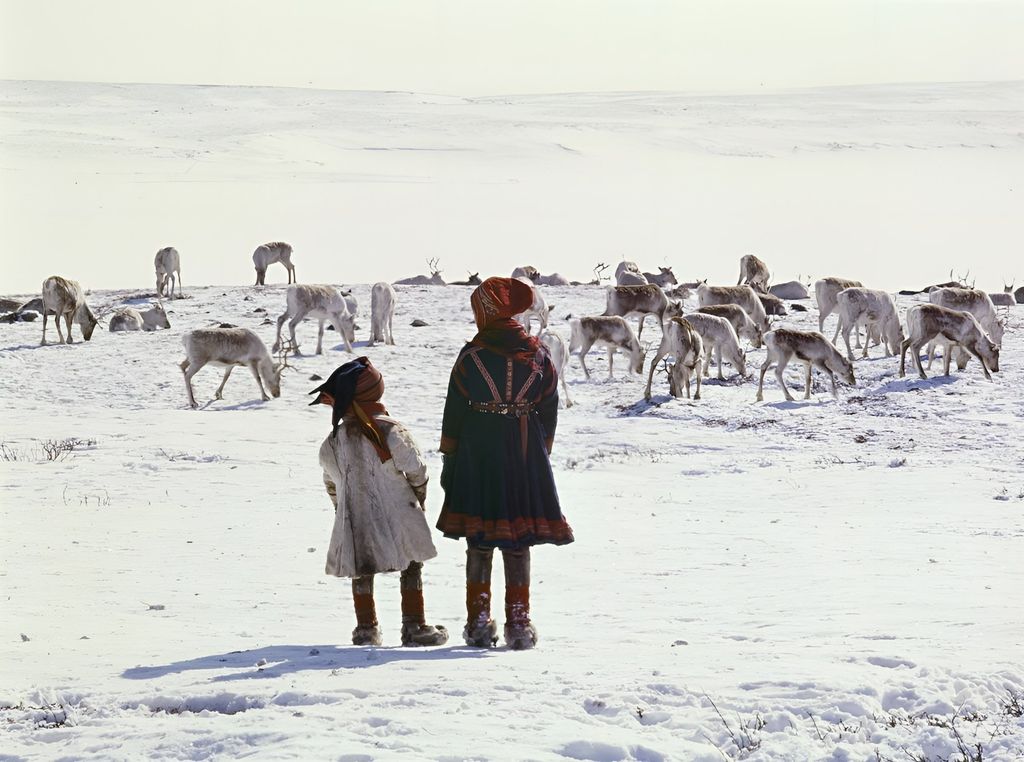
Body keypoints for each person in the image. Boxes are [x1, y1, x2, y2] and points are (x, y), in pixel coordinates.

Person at [437, 277, 574, 650]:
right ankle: (519, 624)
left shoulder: (472, 356)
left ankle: (479, 624)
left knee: (479, 539)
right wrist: (539, 454)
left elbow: (455, 411)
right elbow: (549, 406)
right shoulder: (539, 355)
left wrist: (450, 456)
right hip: (524, 451)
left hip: (478, 451)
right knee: (518, 541)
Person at [310, 357, 448, 647]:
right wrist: (419, 496)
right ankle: (415, 626)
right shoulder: (390, 430)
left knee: (361, 568)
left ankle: (366, 630)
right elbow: (416, 470)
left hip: (356, 517)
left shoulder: (333, 440)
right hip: (398, 510)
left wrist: (342, 508)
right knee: (411, 563)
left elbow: (331, 481)